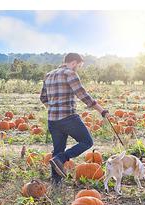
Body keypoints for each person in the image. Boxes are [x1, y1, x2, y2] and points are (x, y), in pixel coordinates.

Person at [40, 53, 109, 185]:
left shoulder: (48, 75)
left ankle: (56, 183)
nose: (78, 68)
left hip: (52, 120)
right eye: (79, 66)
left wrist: (54, 107)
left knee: (58, 149)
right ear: (73, 62)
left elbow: (43, 98)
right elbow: (83, 95)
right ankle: (62, 158)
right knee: (87, 141)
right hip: (68, 118)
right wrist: (102, 110)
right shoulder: (70, 73)